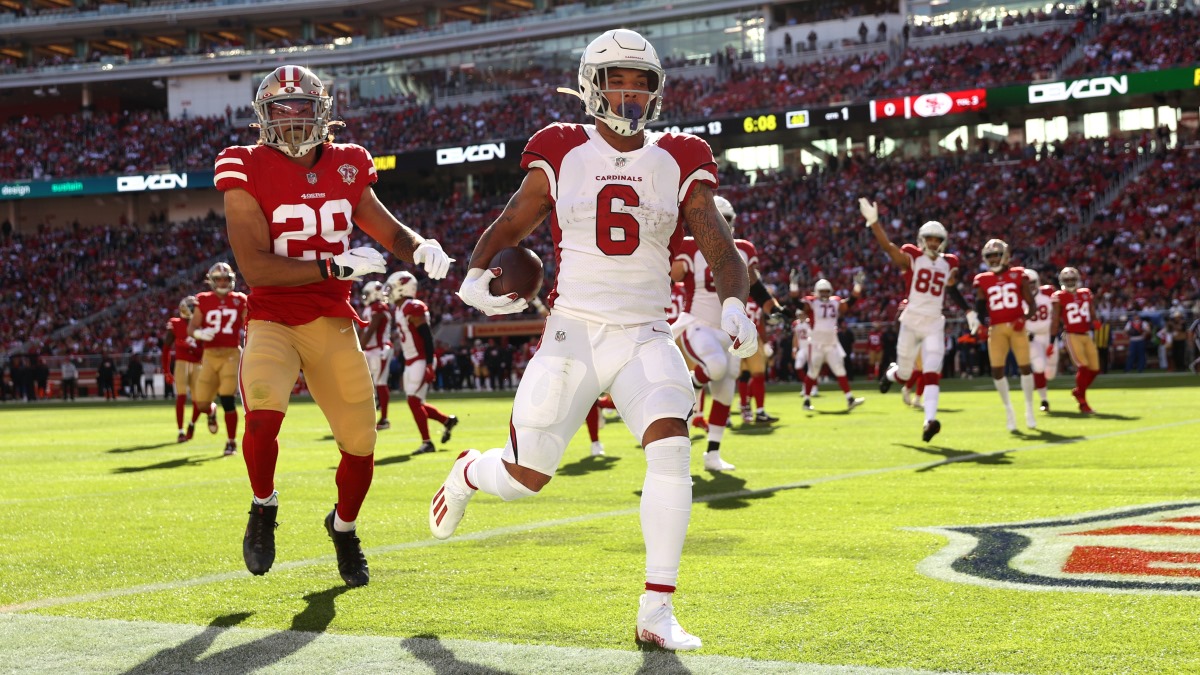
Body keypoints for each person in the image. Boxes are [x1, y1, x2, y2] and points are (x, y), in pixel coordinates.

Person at [427, 29, 757, 651]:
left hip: (645, 334)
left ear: (657, 91)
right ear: (590, 85)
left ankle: (656, 612)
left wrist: (737, 302)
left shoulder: (680, 155)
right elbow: (513, 220)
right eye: (616, 80)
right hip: (572, 333)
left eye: (640, 81)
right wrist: (474, 274)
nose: (629, 93)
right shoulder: (561, 147)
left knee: (671, 449)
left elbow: (719, 243)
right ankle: (470, 473)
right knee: (527, 477)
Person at [216, 64, 453, 588]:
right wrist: (332, 265)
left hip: (330, 318)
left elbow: (387, 230)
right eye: (283, 109)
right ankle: (263, 505)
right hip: (274, 315)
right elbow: (254, 267)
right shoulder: (243, 165)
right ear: (264, 116)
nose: (295, 119)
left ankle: (343, 528)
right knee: (261, 410)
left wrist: (420, 248)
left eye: (305, 108)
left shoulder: (348, 164)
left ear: (324, 113)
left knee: (362, 443)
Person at [672, 194, 779, 471]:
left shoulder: (742, 249)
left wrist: (773, 307)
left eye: (726, 220)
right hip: (698, 323)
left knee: (725, 388)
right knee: (716, 367)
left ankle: (712, 455)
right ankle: (682, 395)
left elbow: (754, 284)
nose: (722, 225)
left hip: (729, 331)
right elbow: (673, 274)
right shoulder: (688, 247)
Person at [862, 198, 971, 442]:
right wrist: (874, 223)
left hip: (934, 322)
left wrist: (968, 310)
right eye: (929, 238)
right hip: (911, 322)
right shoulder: (912, 256)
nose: (933, 243)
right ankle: (890, 375)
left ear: (942, 243)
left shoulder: (949, 262)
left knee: (932, 372)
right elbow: (889, 248)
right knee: (904, 373)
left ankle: (929, 421)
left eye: (937, 239)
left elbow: (951, 288)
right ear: (922, 239)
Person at [385, 270, 457, 455]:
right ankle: (447, 421)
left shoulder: (413, 307)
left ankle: (427, 442)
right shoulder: (401, 309)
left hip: (420, 359)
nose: (390, 292)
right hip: (411, 360)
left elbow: (427, 337)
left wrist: (430, 364)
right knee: (418, 402)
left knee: (413, 401)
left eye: (393, 288)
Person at [971, 238, 1038, 432]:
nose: (993, 259)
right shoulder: (982, 279)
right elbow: (981, 307)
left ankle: (1029, 409)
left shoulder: (1018, 274)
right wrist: (981, 325)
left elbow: (1031, 304)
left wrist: (1024, 318)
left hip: (1017, 328)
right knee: (997, 371)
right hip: (997, 328)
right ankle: (1009, 410)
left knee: (1025, 368)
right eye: (990, 256)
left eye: (997, 255)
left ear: (1006, 256)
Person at [189, 262, 249, 456]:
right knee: (201, 403)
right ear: (212, 281)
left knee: (227, 397)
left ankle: (231, 442)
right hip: (209, 354)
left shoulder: (241, 300)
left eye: (226, 279)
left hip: (231, 353)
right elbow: (191, 328)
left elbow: (250, 325)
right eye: (219, 279)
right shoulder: (203, 300)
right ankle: (212, 412)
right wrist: (199, 334)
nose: (223, 282)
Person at [795, 275, 866, 413]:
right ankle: (806, 400)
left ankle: (850, 399)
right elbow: (796, 303)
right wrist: (793, 286)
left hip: (831, 343)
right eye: (822, 291)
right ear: (816, 291)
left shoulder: (835, 302)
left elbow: (850, 302)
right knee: (813, 372)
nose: (825, 294)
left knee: (840, 370)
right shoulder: (813, 303)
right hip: (816, 344)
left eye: (827, 291)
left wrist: (857, 287)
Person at [1050, 267, 1100, 414]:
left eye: (1072, 279)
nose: (1070, 282)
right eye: (1067, 280)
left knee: (1095, 369)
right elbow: (1055, 320)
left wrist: (1095, 321)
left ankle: (1079, 391)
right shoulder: (1059, 296)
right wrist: (1051, 340)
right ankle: (1083, 402)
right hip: (1072, 335)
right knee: (1083, 367)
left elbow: (1091, 311)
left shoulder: (1085, 293)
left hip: (1086, 334)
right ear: (1062, 281)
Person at [163, 295, 211, 442]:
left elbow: (206, 349)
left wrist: (190, 347)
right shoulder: (175, 323)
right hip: (181, 364)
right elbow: (165, 349)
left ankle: (191, 424)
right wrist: (166, 370)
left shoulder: (202, 324)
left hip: (197, 364)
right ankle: (180, 431)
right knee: (181, 397)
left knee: (199, 401)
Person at [357, 280, 393, 431]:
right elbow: (363, 330)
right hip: (371, 349)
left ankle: (384, 419)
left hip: (380, 349)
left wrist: (359, 347)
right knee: (368, 384)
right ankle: (370, 414)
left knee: (380, 383)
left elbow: (371, 330)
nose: (365, 297)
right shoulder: (370, 308)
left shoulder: (378, 307)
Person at [1023, 269, 1058, 413]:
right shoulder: (1019, 299)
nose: (1030, 286)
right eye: (1027, 283)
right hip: (1033, 337)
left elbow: (1056, 313)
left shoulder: (1048, 293)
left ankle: (1040, 382)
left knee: (1050, 372)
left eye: (1032, 283)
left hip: (1049, 335)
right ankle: (1044, 400)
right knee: (1038, 366)